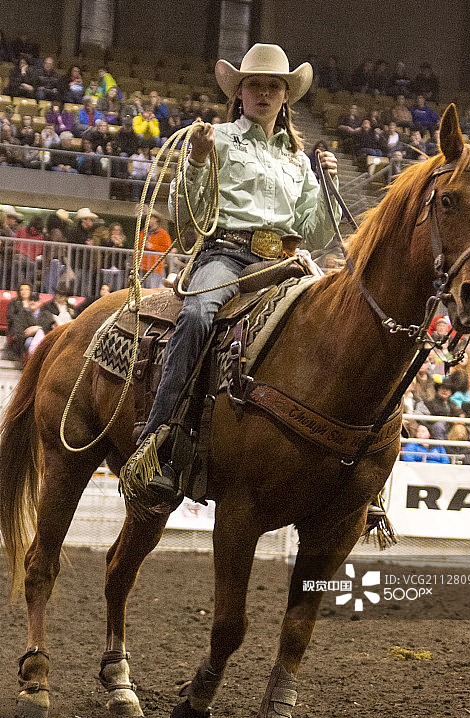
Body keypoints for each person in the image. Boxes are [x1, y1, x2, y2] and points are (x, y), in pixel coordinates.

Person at [132, 42, 340, 500]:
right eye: (255, 86)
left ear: (285, 96)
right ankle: (159, 440)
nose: (264, 94)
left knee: (339, 324)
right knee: (196, 315)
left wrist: (328, 185)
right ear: (239, 94)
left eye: (273, 87)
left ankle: (348, 464)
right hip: (226, 254)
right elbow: (185, 214)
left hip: (284, 263)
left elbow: (316, 232)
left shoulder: (300, 162)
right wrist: (199, 161)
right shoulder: (217, 139)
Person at [138, 209, 172, 288]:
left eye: (149, 218)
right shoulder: (143, 232)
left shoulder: (163, 234)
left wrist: (153, 247)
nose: (147, 220)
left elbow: (168, 250)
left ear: (156, 219)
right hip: (142, 267)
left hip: (155, 268)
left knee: (152, 291)